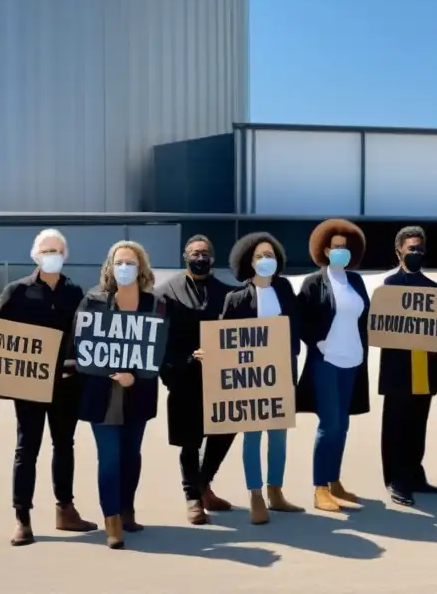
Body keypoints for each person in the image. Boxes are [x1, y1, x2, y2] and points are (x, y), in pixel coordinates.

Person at [0, 229, 96, 546]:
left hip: (66, 385)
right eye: (45, 250)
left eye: (56, 250)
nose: (51, 255)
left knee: (63, 445)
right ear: (35, 255)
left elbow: (85, 336)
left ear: (64, 255)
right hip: (30, 384)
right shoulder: (17, 291)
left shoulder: (74, 292)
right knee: (26, 449)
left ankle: (65, 509)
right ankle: (22, 519)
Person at [77, 240, 164, 549]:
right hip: (103, 395)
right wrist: (115, 373)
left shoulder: (155, 304)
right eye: (119, 262)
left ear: (141, 268)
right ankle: (111, 520)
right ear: (110, 268)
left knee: (131, 456)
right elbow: (82, 348)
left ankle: (127, 510)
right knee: (110, 457)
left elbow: (159, 351)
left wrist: (135, 376)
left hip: (138, 395)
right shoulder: (93, 300)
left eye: (131, 263)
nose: (124, 268)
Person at [219, 232, 304, 524]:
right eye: (259, 256)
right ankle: (255, 494)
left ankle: (276, 492)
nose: (265, 260)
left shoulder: (285, 291)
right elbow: (225, 340)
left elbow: (295, 332)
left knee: (278, 437)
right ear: (248, 261)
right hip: (250, 379)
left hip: (281, 375)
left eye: (270, 255)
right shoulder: (236, 298)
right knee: (252, 437)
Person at [156, 235, 237, 525]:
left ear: (213, 258)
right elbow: (159, 338)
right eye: (194, 253)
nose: (200, 258)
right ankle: (193, 497)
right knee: (190, 442)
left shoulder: (227, 293)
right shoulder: (166, 293)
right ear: (184, 257)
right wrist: (173, 370)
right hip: (183, 376)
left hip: (221, 378)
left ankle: (204, 485)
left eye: (205, 253)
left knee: (226, 432)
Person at [295, 219, 371, 513]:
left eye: (346, 248)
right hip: (326, 361)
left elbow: (364, 317)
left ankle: (334, 480)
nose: (342, 252)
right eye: (336, 247)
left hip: (352, 360)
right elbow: (302, 319)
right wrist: (318, 342)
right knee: (329, 425)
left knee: (344, 424)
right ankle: (320, 488)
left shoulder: (356, 281)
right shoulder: (314, 282)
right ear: (325, 250)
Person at [379, 226, 437, 507]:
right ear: (399, 250)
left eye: (420, 249)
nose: (416, 253)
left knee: (417, 423)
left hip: (424, 366)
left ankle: (414, 473)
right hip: (398, 368)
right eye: (411, 248)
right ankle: (396, 478)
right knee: (396, 424)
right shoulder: (389, 286)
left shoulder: (432, 288)